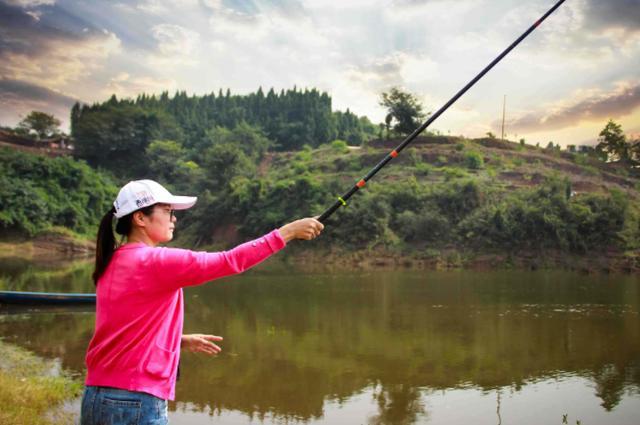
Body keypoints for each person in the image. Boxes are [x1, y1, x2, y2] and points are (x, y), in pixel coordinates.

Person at [80, 179, 323, 424]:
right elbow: (230, 261)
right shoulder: (156, 261)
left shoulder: (111, 261)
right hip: (135, 400)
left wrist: (179, 341)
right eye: (168, 211)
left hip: (95, 396)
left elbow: (122, 327)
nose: (174, 219)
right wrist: (288, 232)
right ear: (140, 218)